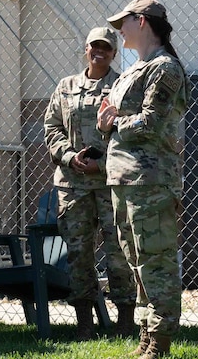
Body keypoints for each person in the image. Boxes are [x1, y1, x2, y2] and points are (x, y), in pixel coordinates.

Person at [96, 0, 189, 359]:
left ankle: (161, 341)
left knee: (156, 260)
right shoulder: (136, 68)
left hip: (150, 179)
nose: (120, 29)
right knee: (135, 260)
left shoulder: (165, 68)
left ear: (142, 21)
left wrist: (115, 121)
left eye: (124, 22)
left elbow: (151, 122)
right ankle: (146, 336)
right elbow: (113, 119)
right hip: (124, 177)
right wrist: (110, 121)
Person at [41, 25, 136, 340]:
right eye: (94, 46)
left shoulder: (123, 86)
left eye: (106, 48)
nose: (100, 52)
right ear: (86, 49)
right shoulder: (66, 87)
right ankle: (85, 322)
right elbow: (52, 126)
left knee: (119, 252)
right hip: (74, 185)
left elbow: (131, 135)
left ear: (113, 53)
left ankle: (125, 320)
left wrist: (104, 164)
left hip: (111, 184)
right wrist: (69, 157)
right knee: (79, 253)